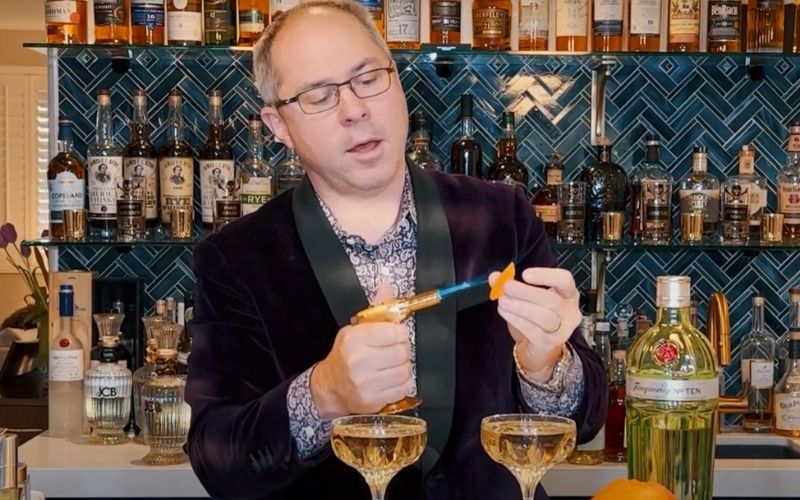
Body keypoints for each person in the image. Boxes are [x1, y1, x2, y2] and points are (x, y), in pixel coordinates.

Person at [184, 1, 607, 499]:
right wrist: (323, 395)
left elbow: (586, 418)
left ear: (397, 81)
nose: (354, 109)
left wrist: (548, 364)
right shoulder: (235, 258)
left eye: (368, 78)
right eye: (319, 95)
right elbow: (218, 459)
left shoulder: (502, 216)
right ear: (279, 126)